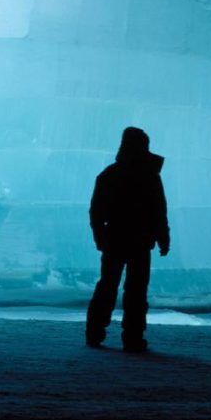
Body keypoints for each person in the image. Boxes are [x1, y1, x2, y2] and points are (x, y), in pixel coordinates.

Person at [85, 126, 170, 352]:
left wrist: (99, 236)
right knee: (136, 291)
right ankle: (133, 337)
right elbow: (159, 211)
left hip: (115, 239)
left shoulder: (109, 175)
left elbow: (96, 211)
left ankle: (95, 333)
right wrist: (163, 238)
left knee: (108, 286)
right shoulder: (150, 176)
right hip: (140, 241)